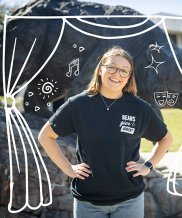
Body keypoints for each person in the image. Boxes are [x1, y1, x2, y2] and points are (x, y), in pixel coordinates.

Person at [38, 46, 173, 218]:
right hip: (88, 202)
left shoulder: (140, 109)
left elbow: (166, 139)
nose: (117, 74)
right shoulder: (78, 105)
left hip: (129, 201)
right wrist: (69, 169)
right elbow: (45, 136)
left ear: (129, 77)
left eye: (124, 71)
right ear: (101, 69)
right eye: (112, 67)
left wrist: (148, 166)